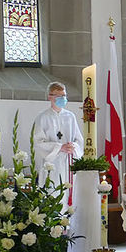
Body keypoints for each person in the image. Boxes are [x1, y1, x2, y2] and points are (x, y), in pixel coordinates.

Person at [32, 81, 83, 212]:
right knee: (53, 195)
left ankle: (70, 228)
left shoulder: (70, 117)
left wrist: (73, 146)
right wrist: (59, 147)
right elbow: (38, 143)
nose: (62, 99)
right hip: (52, 165)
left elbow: (79, 139)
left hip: (68, 164)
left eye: (64, 95)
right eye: (59, 96)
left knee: (70, 198)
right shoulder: (43, 118)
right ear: (50, 97)